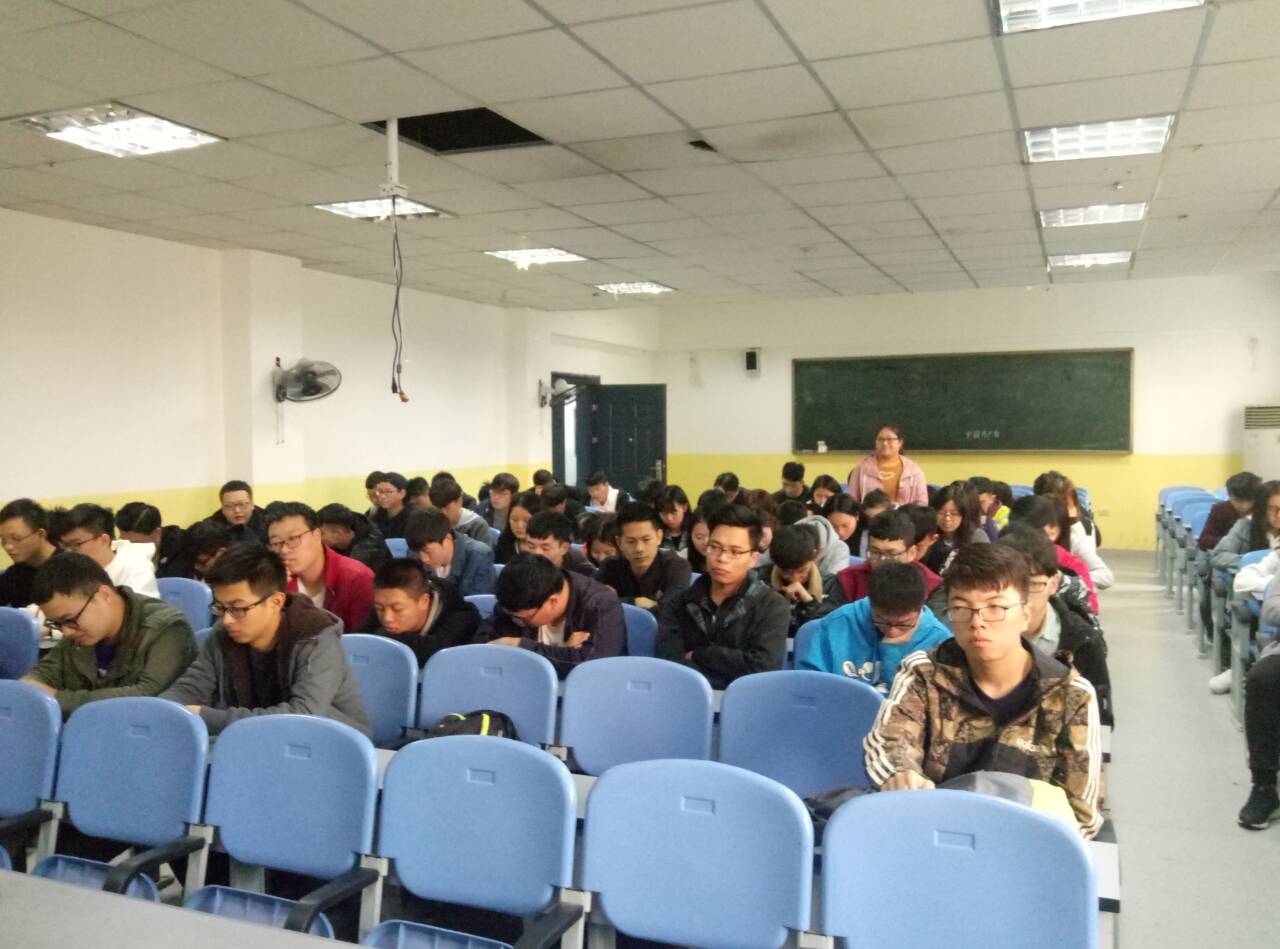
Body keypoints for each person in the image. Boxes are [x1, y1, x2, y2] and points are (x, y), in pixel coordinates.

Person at [863, 544, 1103, 839]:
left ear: (1025, 614)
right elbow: (890, 742)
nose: (977, 622)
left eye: (996, 607)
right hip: (933, 834)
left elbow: (1082, 815)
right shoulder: (924, 673)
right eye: (961, 608)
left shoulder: (1071, 695)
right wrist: (901, 773)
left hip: (1024, 846)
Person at [160, 545, 370, 737]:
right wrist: (163, 710)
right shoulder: (223, 635)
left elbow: (303, 715)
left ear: (276, 602)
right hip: (255, 740)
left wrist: (206, 717)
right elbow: (190, 687)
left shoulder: (316, 638)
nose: (227, 619)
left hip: (327, 742)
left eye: (238, 608)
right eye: (220, 607)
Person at [23, 553, 195, 716]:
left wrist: (57, 698)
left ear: (104, 595)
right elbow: (43, 675)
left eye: (70, 620)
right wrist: (30, 687)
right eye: (56, 624)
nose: (66, 631)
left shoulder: (166, 628)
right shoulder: (80, 631)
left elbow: (146, 697)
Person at [656, 504, 791, 689]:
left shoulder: (773, 607)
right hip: (686, 695)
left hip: (745, 699)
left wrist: (700, 654)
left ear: (753, 558)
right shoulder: (679, 603)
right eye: (715, 547)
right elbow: (669, 664)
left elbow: (762, 667)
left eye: (735, 552)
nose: (721, 558)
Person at [997, 527, 1114, 727]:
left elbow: (1099, 723)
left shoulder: (1082, 643)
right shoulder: (976, 631)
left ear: (1053, 584)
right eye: (1009, 585)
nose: (1021, 596)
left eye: (1033, 584)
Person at [798, 561, 951, 692]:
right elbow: (808, 684)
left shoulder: (940, 642)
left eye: (904, 624)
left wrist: (892, 651)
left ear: (922, 604)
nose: (892, 632)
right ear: (871, 602)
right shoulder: (839, 623)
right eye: (882, 621)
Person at [481, 552, 625, 678]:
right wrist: (563, 652)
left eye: (522, 619)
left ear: (552, 601)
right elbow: (485, 647)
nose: (515, 621)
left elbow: (589, 665)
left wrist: (520, 645)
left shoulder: (601, 604)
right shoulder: (514, 599)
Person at [266, 502, 373, 632]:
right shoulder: (274, 581)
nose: (284, 550)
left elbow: (362, 639)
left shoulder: (357, 578)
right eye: (276, 543)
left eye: (293, 538)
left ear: (317, 535)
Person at [369, 558, 481, 666]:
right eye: (379, 608)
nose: (387, 618)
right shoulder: (386, 602)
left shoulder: (461, 617)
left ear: (424, 601)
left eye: (397, 609)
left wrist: (381, 637)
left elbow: (434, 654)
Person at [1008, 495, 1100, 613]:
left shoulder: (1072, 566)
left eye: (1035, 532)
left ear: (1053, 533)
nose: (1027, 539)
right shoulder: (1002, 559)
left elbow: (1090, 613)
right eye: (1019, 532)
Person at [836, 509, 944, 609]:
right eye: (875, 552)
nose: (882, 560)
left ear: (911, 553)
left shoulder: (931, 586)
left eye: (891, 554)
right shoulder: (847, 580)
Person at [595, 502, 692, 610]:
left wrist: (614, 601)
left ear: (659, 537)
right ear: (619, 542)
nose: (639, 549)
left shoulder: (678, 567)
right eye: (631, 542)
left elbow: (671, 611)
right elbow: (593, 604)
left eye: (646, 540)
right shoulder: (609, 566)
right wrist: (634, 602)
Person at [752, 521, 843, 634]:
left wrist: (809, 602)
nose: (795, 578)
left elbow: (832, 628)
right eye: (786, 572)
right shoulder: (758, 580)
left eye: (802, 571)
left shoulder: (830, 583)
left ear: (815, 555)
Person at [56, 503, 160, 598]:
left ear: (103, 540)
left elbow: (145, 611)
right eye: (65, 545)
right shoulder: (72, 572)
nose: (69, 551)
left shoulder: (135, 569)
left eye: (76, 544)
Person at [1034, 471, 1112, 589]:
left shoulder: (1078, 533)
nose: (1072, 510)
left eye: (1070, 504)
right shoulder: (1036, 527)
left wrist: (1065, 580)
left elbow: (1105, 577)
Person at [405, 508, 495, 598]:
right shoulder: (413, 553)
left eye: (427, 551)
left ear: (447, 538)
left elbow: (478, 602)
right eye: (418, 552)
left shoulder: (479, 556)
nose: (424, 559)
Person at [847, 423, 928, 506]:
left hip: (905, 514)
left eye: (890, 439)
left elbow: (922, 502)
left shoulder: (913, 470)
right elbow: (852, 502)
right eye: (880, 439)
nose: (885, 443)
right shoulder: (861, 469)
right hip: (870, 514)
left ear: (900, 442)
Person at [0, 498, 59, 608]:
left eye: (16, 538)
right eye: (3, 540)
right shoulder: (15, 574)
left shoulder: (69, 568)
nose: (8, 546)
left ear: (41, 534)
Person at [922, 481, 990, 575]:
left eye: (954, 514)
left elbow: (986, 568)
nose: (947, 519)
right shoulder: (928, 534)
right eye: (941, 512)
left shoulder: (976, 536)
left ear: (963, 515)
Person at [116, 502, 189, 578]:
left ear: (157, 533)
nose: (128, 547)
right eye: (123, 540)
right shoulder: (119, 549)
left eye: (135, 543)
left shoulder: (183, 548)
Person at [1199, 471, 1262, 553]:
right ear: (1229, 495)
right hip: (1225, 554)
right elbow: (1204, 540)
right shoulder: (1220, 510)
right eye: (1239, 501)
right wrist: (1233, 541)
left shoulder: (1261, 510)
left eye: (1250, 500)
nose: (1245, 506)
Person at [317, 503, 389, 572]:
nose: (317, 537)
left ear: (339, 533)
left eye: (322, 533)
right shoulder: (332, 542)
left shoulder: (366, 553)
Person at [524, 511, 595, 576]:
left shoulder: (581, 570)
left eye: (545, 548)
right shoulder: (522, 566)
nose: (537, 553)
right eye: (531, 546)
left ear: (564, 548)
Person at [427, 478, 494, 546]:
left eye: (447, 508)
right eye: (439, 509)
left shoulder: (477, 525)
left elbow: (484, 552)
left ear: (459, 501)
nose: (443, 513)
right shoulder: (432, 524)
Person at [208, 480, 269, 545]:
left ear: (252, 505)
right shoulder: (211, 529)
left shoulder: (267, 524)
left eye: (242, 504)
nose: (237, 510)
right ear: (222, 509)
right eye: (230, 506)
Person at [494, 491, 543, 565]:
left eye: (526, 521)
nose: (519, 525)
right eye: (514, 519)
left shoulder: (545, 548)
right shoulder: (504, 542)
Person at [370, 472, 410, 539]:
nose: (383, 496)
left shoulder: (413, 518)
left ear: (402, 494)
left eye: (388, 492)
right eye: (380, 492)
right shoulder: (377, 516)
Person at [854, 489, 892, 558]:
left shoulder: (894, 536)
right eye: (869, 518)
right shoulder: (857, 530)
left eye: (879, 518)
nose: (874, 522)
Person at [657, 485, 693, 554]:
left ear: (685, 507)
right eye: (664, 514)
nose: (669, 518)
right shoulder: (656, 533)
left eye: (674, 513)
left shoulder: (694, 530)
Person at [967, 477, 1003, 541]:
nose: (975, 506)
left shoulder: (1003, 515)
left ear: (992, 499)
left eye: (981, 502)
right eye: (971, 502)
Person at [681, 506, 713, 574]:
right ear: (691, 536)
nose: (705, 542)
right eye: (699, 537)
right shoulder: (682, 558)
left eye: (710, 536)